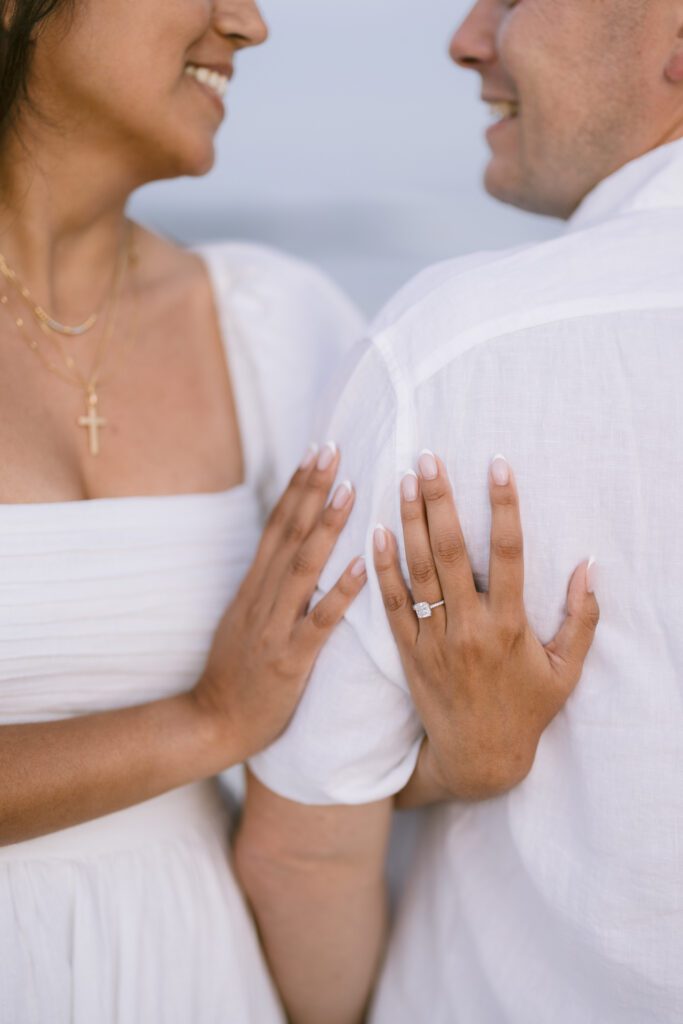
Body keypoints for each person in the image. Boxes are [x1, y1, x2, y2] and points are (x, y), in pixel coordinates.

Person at [236, 0, 683, 1022]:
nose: (465, 37)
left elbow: (301, 847)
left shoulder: (458, 349)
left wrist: (445, 768)